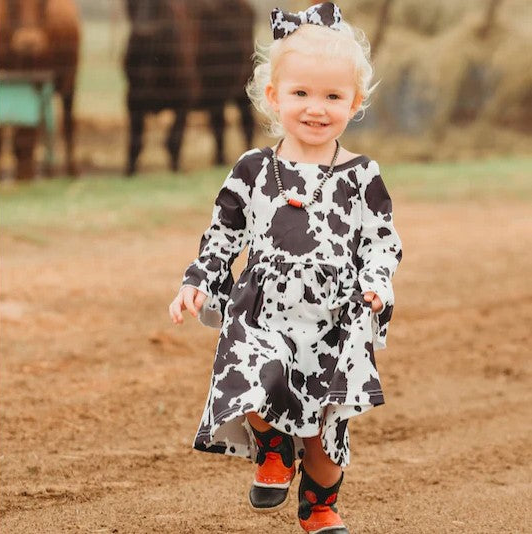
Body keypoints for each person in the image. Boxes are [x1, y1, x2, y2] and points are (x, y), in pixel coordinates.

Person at [169, 3, 402, 533]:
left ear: (354, 103)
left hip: (333, 318)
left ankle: (319, 506)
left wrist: (375, 283)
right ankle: (272, 446)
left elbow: (383, 241)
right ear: (273, 97)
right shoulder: (251, 169)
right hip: (264, 308)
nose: (315, 109)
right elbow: (223, 235)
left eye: (332, 97)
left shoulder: (362, 176)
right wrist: (197, 281)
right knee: (255, 376)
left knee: (323, 435)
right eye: (300, 93)